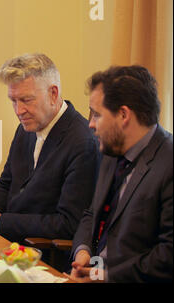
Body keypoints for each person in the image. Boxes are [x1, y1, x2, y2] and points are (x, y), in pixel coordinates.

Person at [0, 53, 100, 243]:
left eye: (26, 100)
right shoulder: (26, 127)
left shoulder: (83, 143)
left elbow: (69, 223)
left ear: (53, 94)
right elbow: (6, 182)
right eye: (13, 101)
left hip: (42, 255)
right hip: (8, 242)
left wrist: (2, 223)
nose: (18, 111)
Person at [67, 65, 173, 283]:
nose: (91, 124)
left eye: (97, 114)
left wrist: (103, 277)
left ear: (124, 115)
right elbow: (92, 212)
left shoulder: (168, 163)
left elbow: (167, 257)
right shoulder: (112, 149)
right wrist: (83, 252)